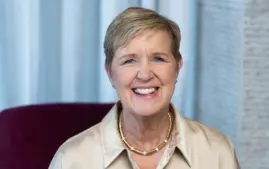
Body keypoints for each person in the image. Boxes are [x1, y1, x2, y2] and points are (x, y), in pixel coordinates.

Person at [49, 7, 240, 169]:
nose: (145, 74)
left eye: (158, 58)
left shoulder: (217, 153)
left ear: (177, 67)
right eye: (129, 60)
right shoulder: (72, 159)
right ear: (110, 73)